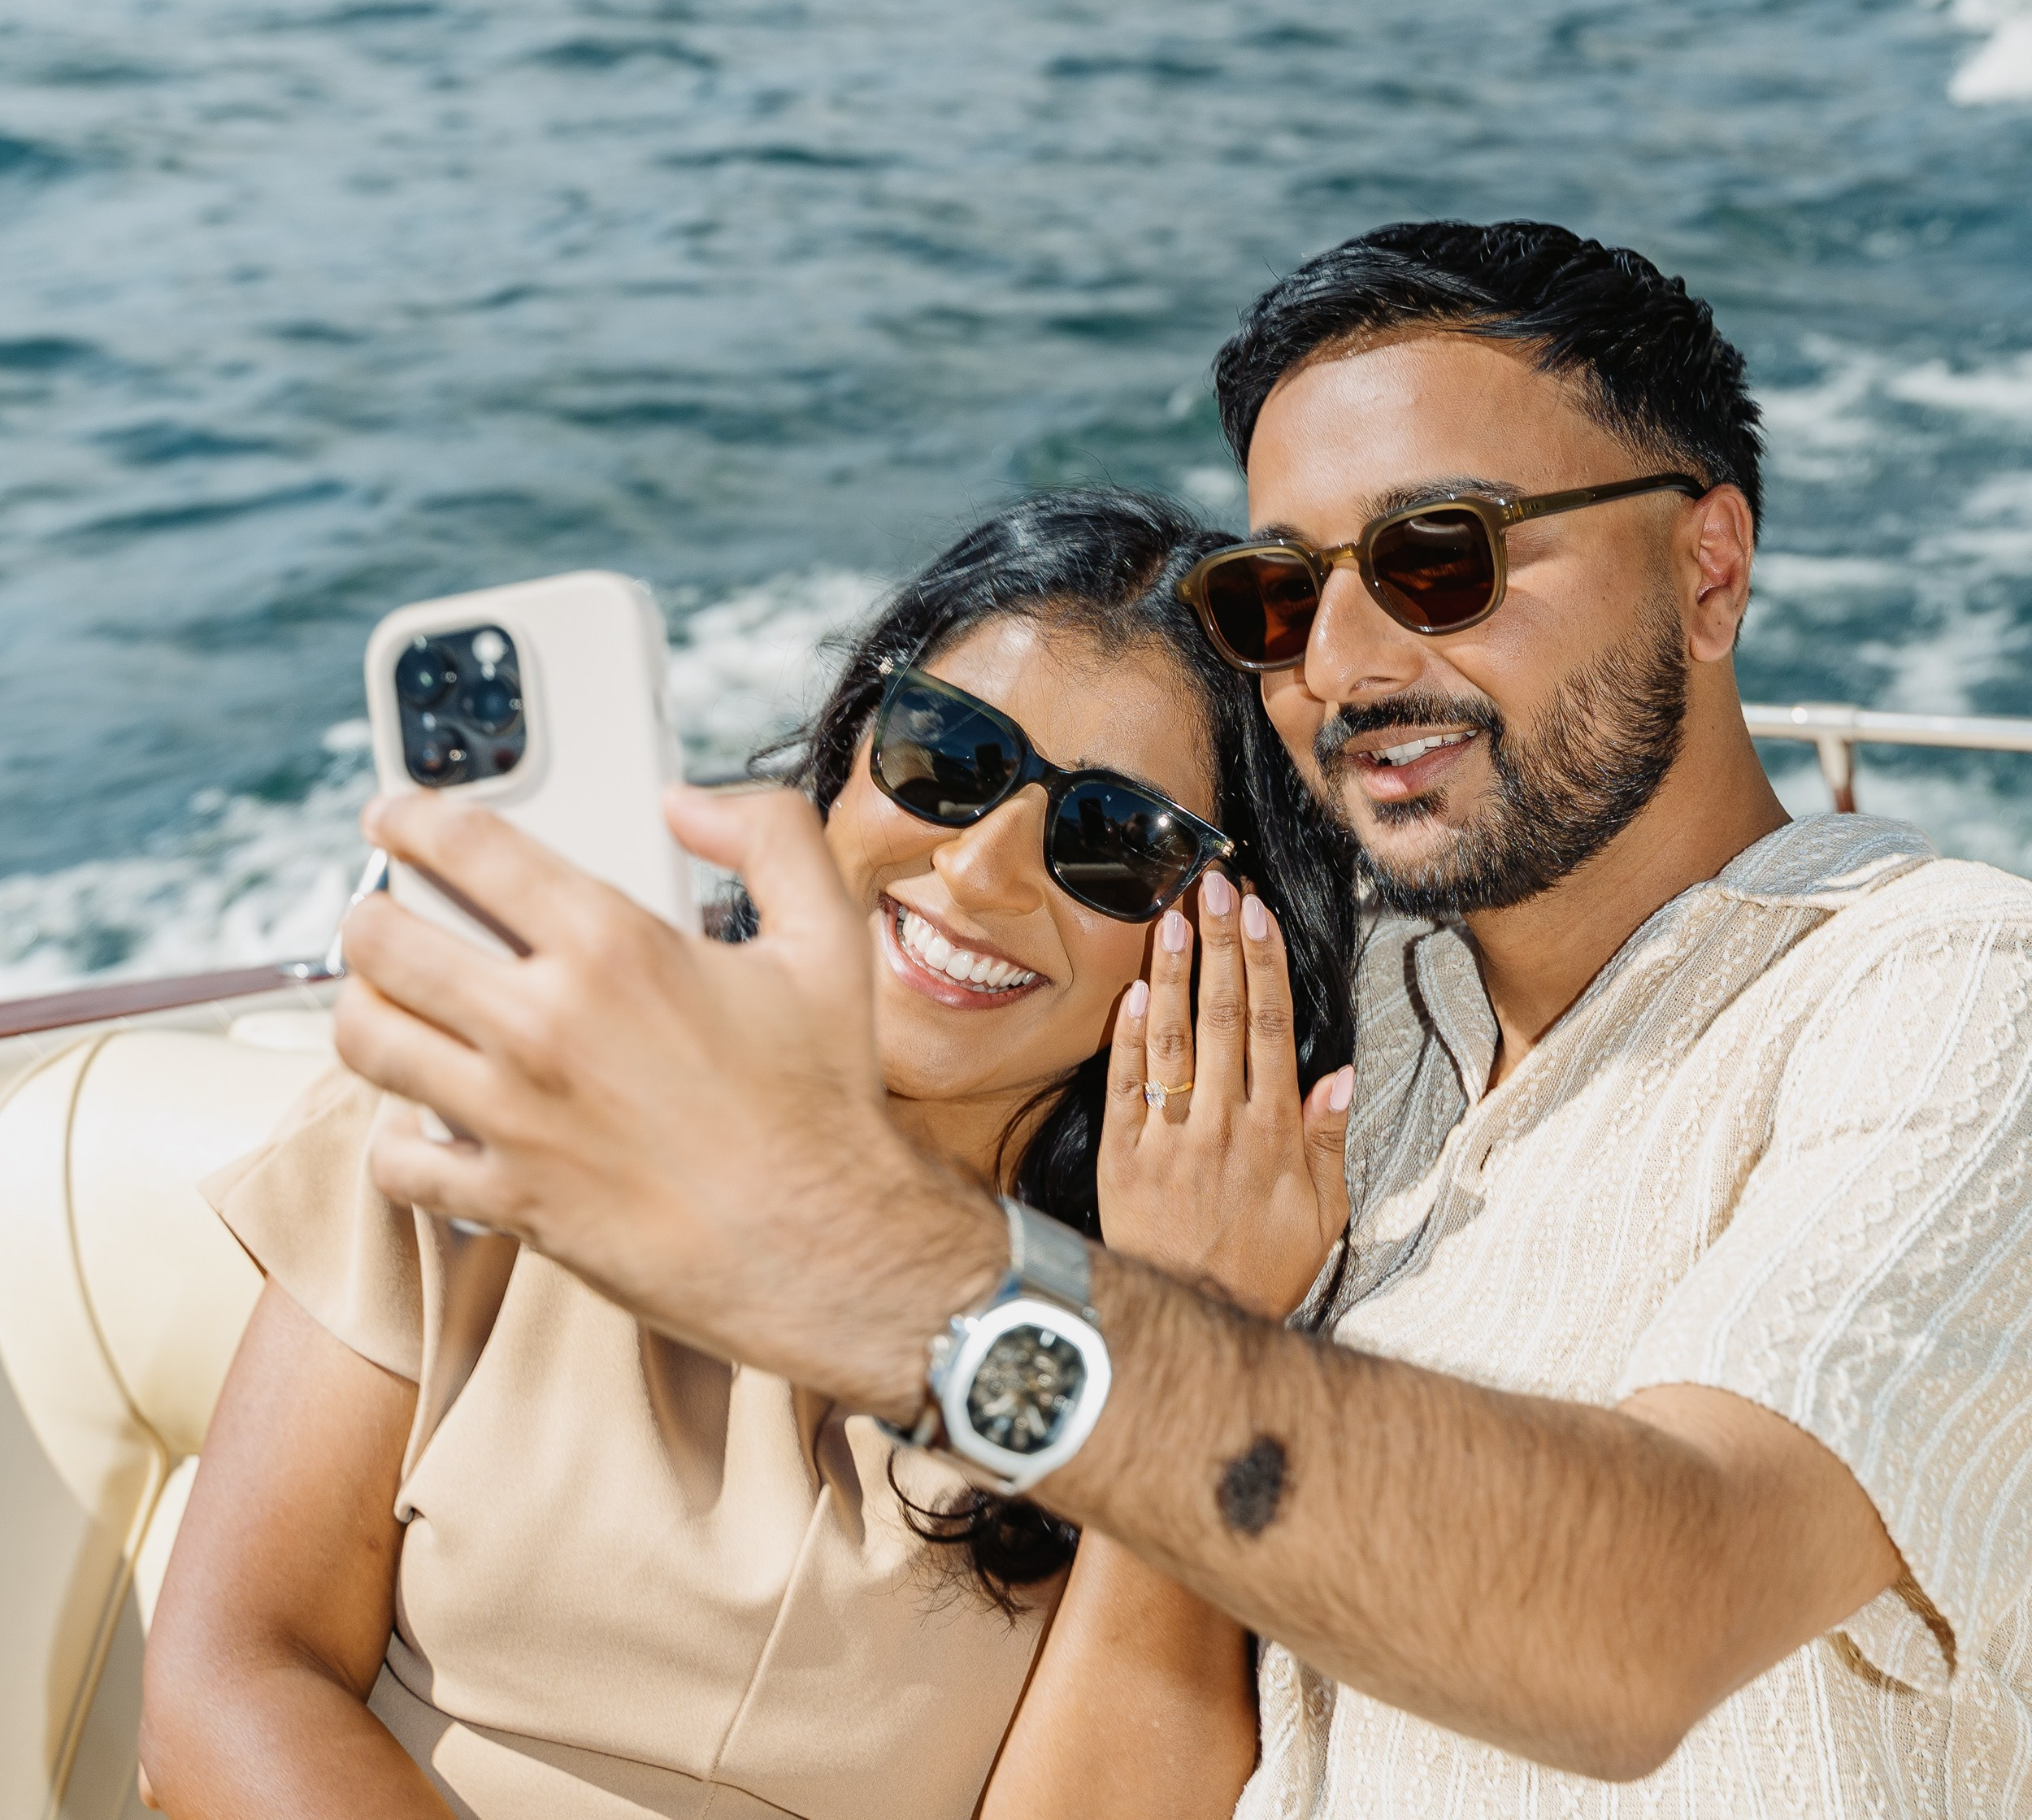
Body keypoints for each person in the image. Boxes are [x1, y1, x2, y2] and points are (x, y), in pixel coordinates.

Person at [315, 222, 2032, 1818]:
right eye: (1277, 597)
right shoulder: (1297, 1025)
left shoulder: (1944, 1001)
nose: (1344, 666)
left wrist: (875, 1260)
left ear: (1707, 567)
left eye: (1441, 560)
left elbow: (1651, 1617)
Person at [141, 491, 1361, 1820]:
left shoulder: (1201, 1289)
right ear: (851, 750)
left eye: (1115, 839)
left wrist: (1184, 1334)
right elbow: (233, 1675)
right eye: (946, 752)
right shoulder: (490, 1098)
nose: (982, 866)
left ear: (1226, 926)